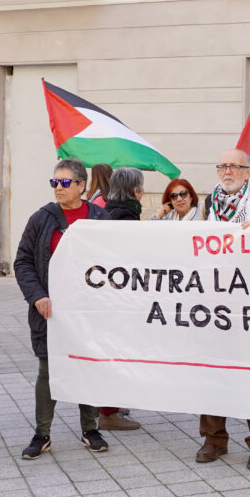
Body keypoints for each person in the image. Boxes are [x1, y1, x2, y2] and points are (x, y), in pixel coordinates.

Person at [15, 159, 110, 459]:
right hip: (50, 311)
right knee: (48, 370)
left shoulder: (100, 218)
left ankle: (90, 429)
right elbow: (23, 261)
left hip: (87, 312)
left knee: (88, 366)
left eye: (65, 182)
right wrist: (37, 296)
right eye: (55, 182)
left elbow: (114, 261)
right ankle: (42, 434)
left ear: (82, 185)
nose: (58, 187)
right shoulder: (41, 218)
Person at [195, 150, 250, 470]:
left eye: (234, 166)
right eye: (223, 166)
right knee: (213, 371)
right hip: (216, 300)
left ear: (248, 172)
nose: (227, 171)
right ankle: (213, 438)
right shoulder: (209, 203)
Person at [94, 167, 143, 432]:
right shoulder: (126, 216)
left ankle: (107, 405)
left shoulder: (104, 211)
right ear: (136, 191)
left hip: (106, 295)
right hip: (119, 297)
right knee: (115, 352)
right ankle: (108, 413)